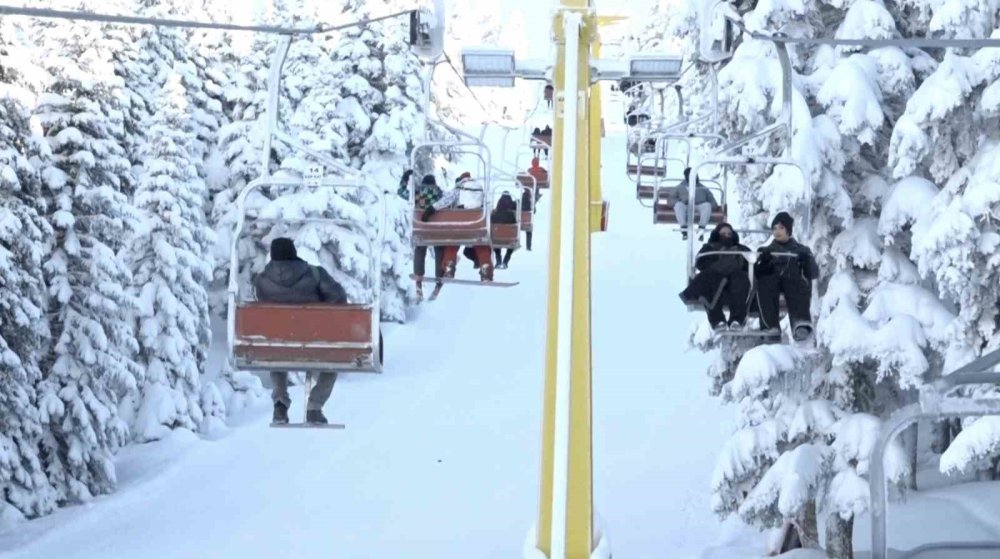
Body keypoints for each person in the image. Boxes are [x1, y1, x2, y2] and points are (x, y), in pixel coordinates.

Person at [254, 237, 347, 425]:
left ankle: (280, 404)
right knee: (333, 363)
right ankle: (314, 406)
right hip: (315, 342)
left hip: (279, 343)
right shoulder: (315, 274)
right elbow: (338, 298)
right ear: (293, 252)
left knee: (276, 354)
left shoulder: (262, 280)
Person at [753, 212, 819, 342]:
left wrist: (806, 261)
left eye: (781, 228)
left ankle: (800, 323)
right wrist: (764, 263)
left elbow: (813, 273)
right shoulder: (765, 250)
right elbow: (756, 272)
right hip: (772, 279)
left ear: (788, 229)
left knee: (796, 283)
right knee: (765, 284)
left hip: (792, 278)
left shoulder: (801, 250)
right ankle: (770, 327)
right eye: (774, 228)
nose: (777, 231)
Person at [421, 172, 494, 281]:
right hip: (477, 222)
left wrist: (432, 208)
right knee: (481, 245)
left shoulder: (459, 186)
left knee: (452, 243)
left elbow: (447, 199)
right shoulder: (479, 187)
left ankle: (449, 267)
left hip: (460, 221)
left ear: (461, 179)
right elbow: (487, 204)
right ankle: (486, 270)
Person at [679, 223, 751, 331]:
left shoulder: (741, 248)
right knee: (711, 279)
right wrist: (719, 265)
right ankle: (718, 320)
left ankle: (736, 320)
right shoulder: (709, 248)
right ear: (717, 234)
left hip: (735, 278)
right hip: (716, 278)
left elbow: (751, 262)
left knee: (740, 279)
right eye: (723, 233)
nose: (726, 235)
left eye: (729, 233)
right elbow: (701, 263)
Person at [403, 172, 446, 301]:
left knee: (420, 251)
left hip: (421, 228)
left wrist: (404, 180)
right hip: (437, 230)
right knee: (439, 252)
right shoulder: (440, 193)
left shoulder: (417, 193)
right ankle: (439, 283)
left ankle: (418, 283)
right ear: (434, 183)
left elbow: (401, 193)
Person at [673, 167, 719, 240]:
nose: (695, 177)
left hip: (699, 206)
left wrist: (706, 204)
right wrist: (681, 201)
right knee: (678, 205)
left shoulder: (703, 189)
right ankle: (684, 228)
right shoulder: (679, 188)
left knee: (707, 205)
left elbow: (713, 203)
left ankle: (701, 227)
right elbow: (670, 200)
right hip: (685, 206)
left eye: (696, 175)